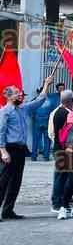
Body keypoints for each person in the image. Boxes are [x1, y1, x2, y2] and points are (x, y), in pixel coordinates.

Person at [0, 76, 53, 221]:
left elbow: (39, 100)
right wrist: (3, 151)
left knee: (16, 181)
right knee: (3, 181)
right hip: (9, 149)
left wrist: (46, 84)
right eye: (17, 93)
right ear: (8, 96)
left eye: (20, 93)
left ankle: (8, 211)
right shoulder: (5, 112)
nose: (20, 95)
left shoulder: (23, 108)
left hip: (20, 150)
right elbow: (1, 132)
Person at [49, 89, 73, 213]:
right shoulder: (63, 113)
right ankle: (56, 203)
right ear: (72, 100)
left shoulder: (61, 112)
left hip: (61, 148)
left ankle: (62, 201)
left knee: (63, 177)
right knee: (60, 177)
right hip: (62, 149)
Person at [31, 88, 59, 162]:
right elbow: (54, 112)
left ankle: (34, 156)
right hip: (47, 121)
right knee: (47, 140)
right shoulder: (51, 101)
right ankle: (46, 156)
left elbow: (31, 111)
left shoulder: (35, 100)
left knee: (36, 139)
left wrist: (34, 117)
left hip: (37, 121)